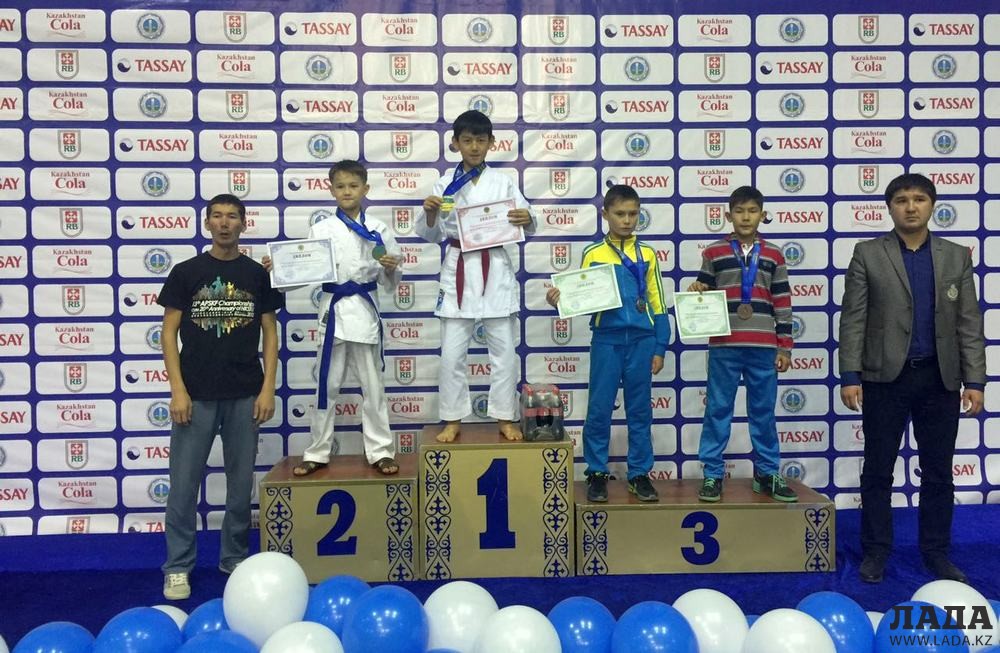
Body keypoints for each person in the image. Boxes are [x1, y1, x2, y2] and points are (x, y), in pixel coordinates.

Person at [839, 173, 985, 584]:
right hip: (885, 379)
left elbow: (969, 322)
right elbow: (853, 319)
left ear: (932, 205)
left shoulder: (955, 256)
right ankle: (876, 551)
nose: (911, 206)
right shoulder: (868, 253)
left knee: (938, 472)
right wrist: (850, 374)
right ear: (890, 207)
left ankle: (936, 553)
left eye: (919, 199)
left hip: (940, 378)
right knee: (877, 470)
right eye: (902, 199)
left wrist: (975, 381)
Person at [158, 193, 284, 601]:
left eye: (232, 216)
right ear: (207, 223)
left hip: (245, 393)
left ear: (243, 224)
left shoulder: (256, 274)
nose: (225, 223)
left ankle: (234, 558)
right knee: (182, 487)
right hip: (195, 395)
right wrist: (178, 390)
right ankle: (178, 566)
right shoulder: (186, 272)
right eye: (217, 216)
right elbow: (168, 333)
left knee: (240, 485)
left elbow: (270, 332)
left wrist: (267, 387)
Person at [264, 160, 402, 477]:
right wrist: (279, 269)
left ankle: (381, 451)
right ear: (331, 190)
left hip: (365, 312)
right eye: (340, 186)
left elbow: (390, 282)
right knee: (326, 388)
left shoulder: (379, 229)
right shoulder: (322, 229)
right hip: (334, 314)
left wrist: (391, 268)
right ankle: (317, 451)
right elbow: (306, 270)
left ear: (365, 189)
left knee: (373, 388)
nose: (347, 191)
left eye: (353, 186)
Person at [415, 109, 535, 442]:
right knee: (452, 355)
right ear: (455, 143)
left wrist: (526, 217)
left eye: (480, 140)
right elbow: (431, 234)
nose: (474, 147)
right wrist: (430, 214)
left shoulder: (503, 181)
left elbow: (529, 219)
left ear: (491, 142)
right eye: (467, 141)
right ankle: (452, 418)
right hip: (459, 268)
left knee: (504, 354)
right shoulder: (445, 184)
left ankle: (505, 417)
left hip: (494, 268)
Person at [546, 184, 668, 502]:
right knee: (599, 409)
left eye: (633, 214)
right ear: (605, 214)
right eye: (620, 214)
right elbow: (582, 298)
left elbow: (657, 302)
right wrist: (559, 301)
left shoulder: (648, 254)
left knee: (640, 411)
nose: (627, 220)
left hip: (642, 341)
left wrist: (660, 346)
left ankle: (639, 473)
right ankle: (597, 472)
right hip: (607, 341)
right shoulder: (594, 253)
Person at [688, 185, 797, 504]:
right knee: (718, 409)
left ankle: (767, 473)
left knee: (763, 412)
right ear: (728, 215)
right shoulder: (714, 252)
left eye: (752, 211)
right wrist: (698, 289)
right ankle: (712, 473)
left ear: (763, 215)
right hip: (724, 345)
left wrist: (784, 346)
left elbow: (782, 301)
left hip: (764, 346)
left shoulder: (774, 254)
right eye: (739, 211)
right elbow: (705, 292)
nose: (746, 217)